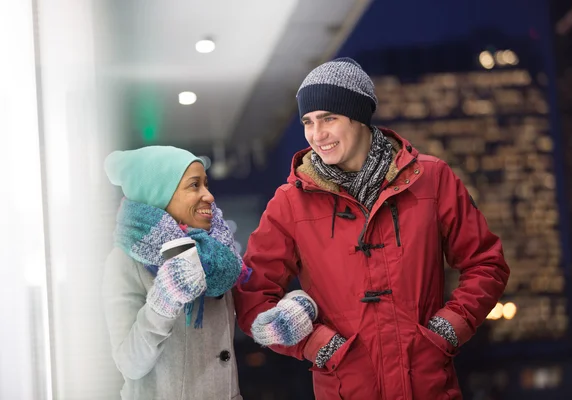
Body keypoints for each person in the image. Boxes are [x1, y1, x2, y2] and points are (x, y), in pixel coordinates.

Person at [233, 58, 510, 400]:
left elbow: (486, 263)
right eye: (308, 122)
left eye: (328, 118)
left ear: (359, 116)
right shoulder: (290, 203)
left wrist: (448, 329)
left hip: (429, 386)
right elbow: (252, 298)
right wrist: (318, 345)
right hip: (346, 389)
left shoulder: (431, 179)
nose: (317, 135)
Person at [102, 146, 256, 399]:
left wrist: (276, 316)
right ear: (159, 194)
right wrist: (164, 300)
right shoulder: (125, 262)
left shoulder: (217, 253)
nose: (208, 196)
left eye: (206, 184)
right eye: (194, 185)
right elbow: (130, 363)